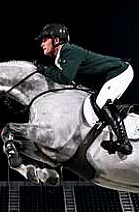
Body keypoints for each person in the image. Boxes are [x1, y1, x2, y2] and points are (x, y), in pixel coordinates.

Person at [35, 23, 134, 155]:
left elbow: (65, 78)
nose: (42, 44)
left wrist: (43, 69)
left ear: (56, 40)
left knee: (101, 102)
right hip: (109, 76)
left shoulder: (68, 50)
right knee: (95, 104)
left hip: (120, 71)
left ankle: (124, 142)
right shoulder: (59, 58)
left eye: (44, 40)